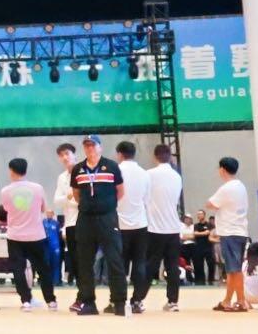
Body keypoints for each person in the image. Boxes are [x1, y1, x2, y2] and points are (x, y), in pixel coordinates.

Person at [68, 135, 125, 315]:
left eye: (93, 145)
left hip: (107, 218)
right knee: (85, 262)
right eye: (87, 146)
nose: (90, 148)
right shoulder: (78, 169)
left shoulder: (112, 166)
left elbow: (120, 191)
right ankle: (88, 302)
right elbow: (76, 194)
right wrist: (88, 206)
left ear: (100, 147)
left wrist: (106, 206)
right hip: (85, 219)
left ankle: (119, 302)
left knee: (114, 260)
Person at [0, 157, 55, 310]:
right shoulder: (38, 188)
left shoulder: (5, 191)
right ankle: (51, 301)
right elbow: (43, 209)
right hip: (37, 235)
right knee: (43, 269)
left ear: (11, 171)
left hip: (15, 236)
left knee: (18, 269)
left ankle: (26, 301)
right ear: (25, 170)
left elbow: (6, 209)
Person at [136, 143, 184, 313]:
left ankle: (138, 299)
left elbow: (143, 197)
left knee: (150, 266)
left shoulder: (149, 174)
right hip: (173, 228)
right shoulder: (177, 176)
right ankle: (173, 301)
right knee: (173, 267)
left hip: (154, 228)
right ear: (170, 156)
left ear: (154, 156)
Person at [206, 158, 252, 312]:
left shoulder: (226, 188)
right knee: (232, 269)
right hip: (240, 231)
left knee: (234, 269)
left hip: (230, 232)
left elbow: (210, 204)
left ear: (222, 169)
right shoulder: (240, 186)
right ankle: (227, 300)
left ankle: (241, 301)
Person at [113, 140, 151, 309]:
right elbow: (147, 199)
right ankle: (137, 300)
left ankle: (119, 301)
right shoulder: (144, 173)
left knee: (119, 264)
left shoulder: (116, 171)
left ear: (119, 154)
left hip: (120, 224)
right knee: (140, 263)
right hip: (141, 223)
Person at [51, 141, 78, 285]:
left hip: (85, 221)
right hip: (70, 222)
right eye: (61, 155)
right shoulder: (62, 177)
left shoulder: (83, 172)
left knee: (85, 257)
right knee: (73, 256)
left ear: (75, 155)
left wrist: (69, 199)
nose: (65, 157)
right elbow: (57, 201)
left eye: (67, 153)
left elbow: (84, 200)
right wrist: (69, 196)